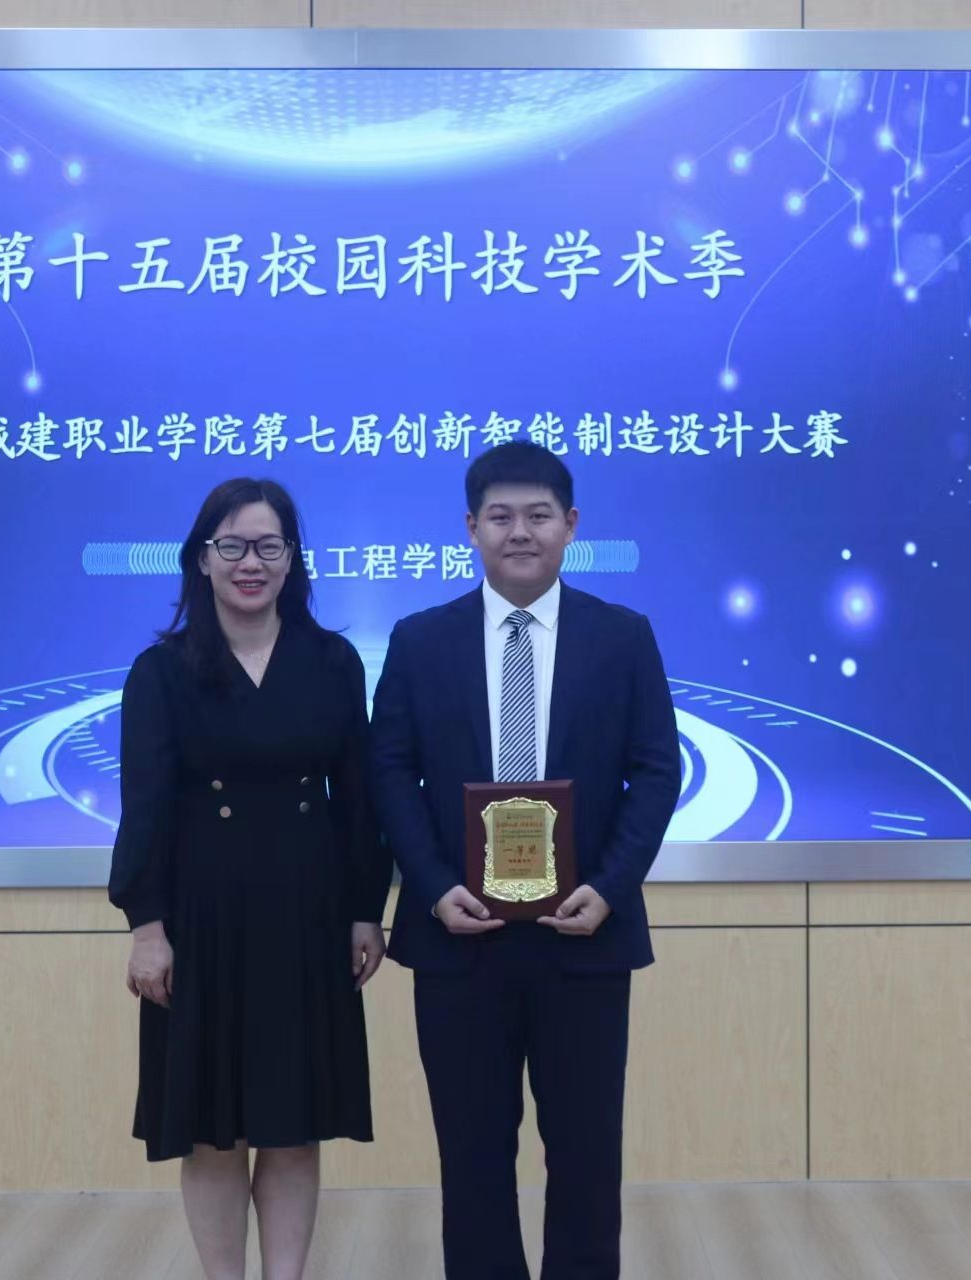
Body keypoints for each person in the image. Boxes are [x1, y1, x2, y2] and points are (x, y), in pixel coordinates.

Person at [371, 441, 682, 1280]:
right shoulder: (420, 640)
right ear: (470, 527)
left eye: (539, 515)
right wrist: (433, 887)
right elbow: (389, 772)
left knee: (586, 1152)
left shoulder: (622, 638)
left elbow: (656, 771)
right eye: (500, 516)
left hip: (584, 936)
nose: (520, 532)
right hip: (458, 939)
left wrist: (608, 888)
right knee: (471, 1154)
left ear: (571, 526)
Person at [108, 477, 390, 1280]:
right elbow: (145, 807)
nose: (250, 562)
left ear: (293, 559)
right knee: (213, 1130)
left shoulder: (332, 661)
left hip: (308, 911)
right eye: (231, 545)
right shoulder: (161, 671)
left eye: (269, 545)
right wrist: (146, 927)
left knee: (293, 1125)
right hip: (201, 920)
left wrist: (365, 911)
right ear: (202, 559)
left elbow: (359, 797)